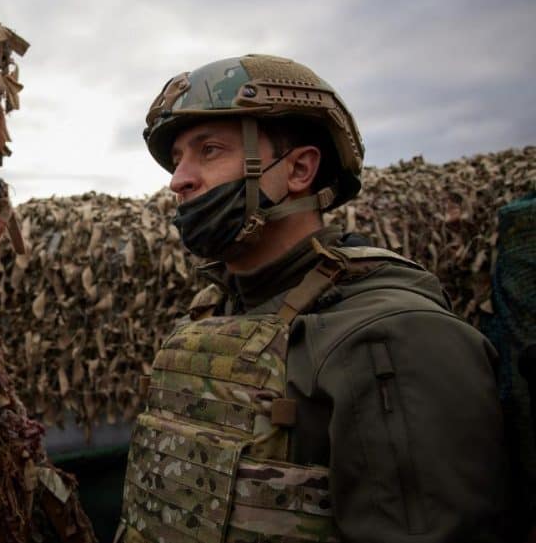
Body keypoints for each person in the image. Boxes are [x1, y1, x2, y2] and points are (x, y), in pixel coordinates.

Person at [115, 54, 508, 543]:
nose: (179, 181)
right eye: (177, 161)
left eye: (209, 150)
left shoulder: (392, 336)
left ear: (298, 169)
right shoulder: (219, 308)